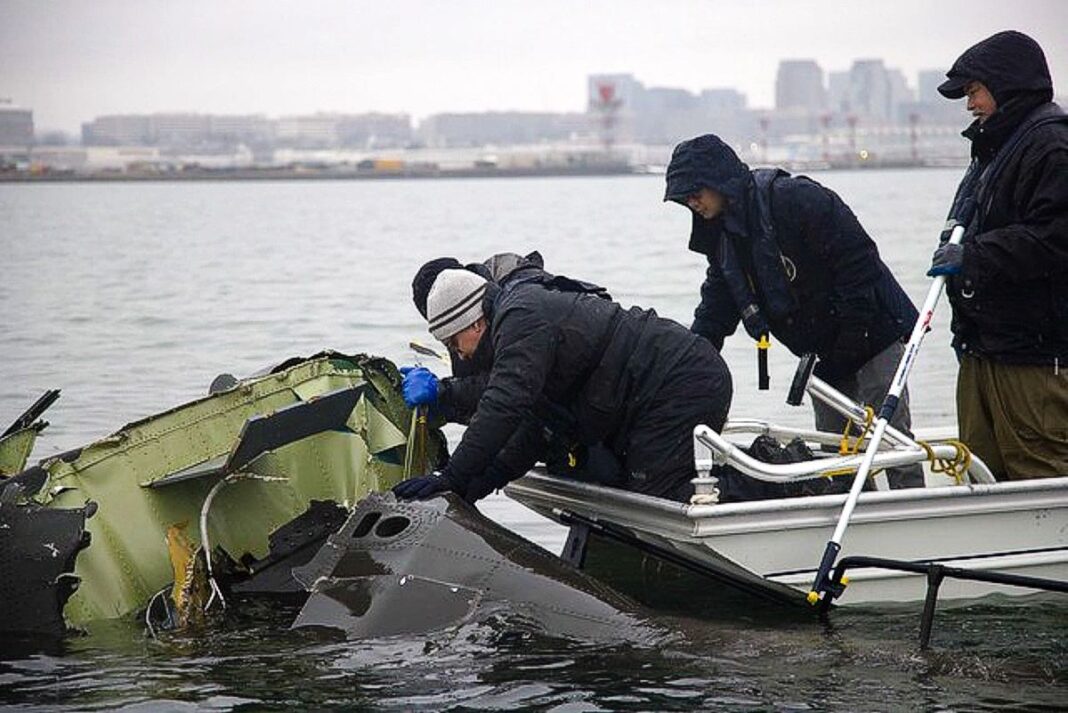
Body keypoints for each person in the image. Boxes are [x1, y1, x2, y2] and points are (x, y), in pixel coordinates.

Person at [664, 133, 923, 488]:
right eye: (683, 198)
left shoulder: (796, 199)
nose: (691, 202)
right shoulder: (721, 237)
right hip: (822, 351)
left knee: (892, 438)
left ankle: (911, 514)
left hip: (874, 332)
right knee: (835, 453)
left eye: (695, 192)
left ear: (718, 181)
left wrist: (853, 334)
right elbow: (717, 306)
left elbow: (859, 262)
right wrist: (691, 358)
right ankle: (854, 521)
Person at [392, 266, 733, 504]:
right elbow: (534, 432)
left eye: (454, 343)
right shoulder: (515, 332)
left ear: (474, 323)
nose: (459, 356)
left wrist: (451, 476)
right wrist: (468, 489)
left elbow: (503, 405)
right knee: (632, 487)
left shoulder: (520, 317)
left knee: (659, 496)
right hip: (656, 391)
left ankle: (774, 484)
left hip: (681, 380)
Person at [926, 30, 1068, 480]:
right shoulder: (994, 148)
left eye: (974, 91)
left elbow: (1055, 238)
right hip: (984, 348)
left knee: (1039, 471)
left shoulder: (1050, 146)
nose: (970, 104)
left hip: (1033, 356)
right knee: (977, 471)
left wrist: (973, 257)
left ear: (1006, 85)